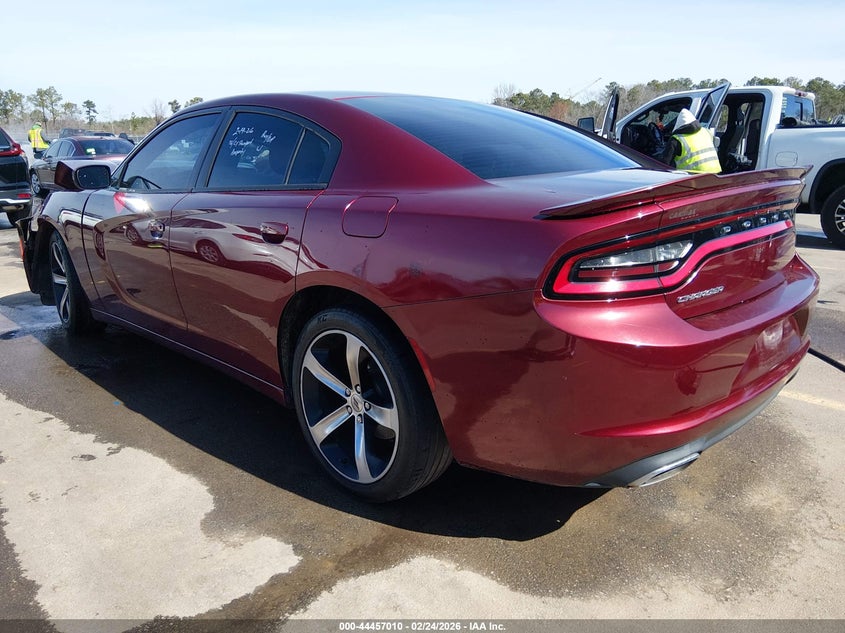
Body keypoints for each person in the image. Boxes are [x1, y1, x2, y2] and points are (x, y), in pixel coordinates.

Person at [659, 108, 721, 173]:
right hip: (715, 173)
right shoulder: (706, 132)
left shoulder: (676, 139)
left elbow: (664, 165)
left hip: (693, 177)